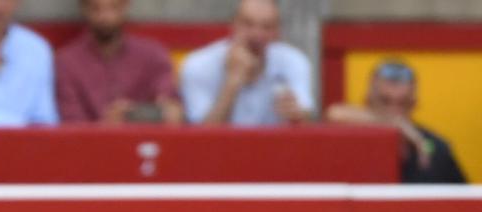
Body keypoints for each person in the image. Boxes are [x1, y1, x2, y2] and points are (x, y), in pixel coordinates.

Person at [326, 59, 468, 184]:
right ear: (368, 100)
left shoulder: (435, 148)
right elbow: (333, 113)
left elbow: (465, 203)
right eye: (385, 102)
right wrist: (393, 124)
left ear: (414, 102)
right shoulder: (353, 144)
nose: (395, 113)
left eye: (402, 103)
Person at [180, 0, 312, 126]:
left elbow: (306, 119)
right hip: (221, 149)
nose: (257, 34)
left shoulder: (294, 62)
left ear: (277, 31)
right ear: (233, 24)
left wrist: (297, 115)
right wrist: (232, 83)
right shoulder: (198, 65)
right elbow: (201, 138)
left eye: (267, 27)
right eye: (248, 24)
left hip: (276, 148)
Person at [55, 0, 182, 124]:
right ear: (84, 8)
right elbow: (71, 128)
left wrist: (133, 114)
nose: (104, 17)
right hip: (92, 144)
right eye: (95, 8)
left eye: (113, 7)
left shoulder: (153, 55)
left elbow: (174, 112)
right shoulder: (66, 63)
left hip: (146, 142)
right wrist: (107, 124)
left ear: (125, 6)